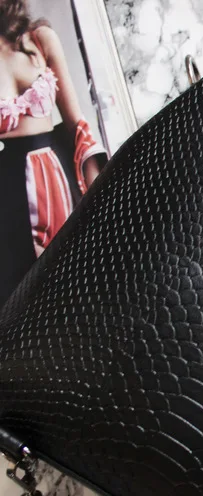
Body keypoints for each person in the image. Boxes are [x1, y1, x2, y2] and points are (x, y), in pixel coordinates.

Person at [0, 0, 106, 307]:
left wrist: (101, 198)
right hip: (9, 197)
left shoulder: (40, 39)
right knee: (28, 301)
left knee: (89, 283)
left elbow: (77, 125)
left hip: (62, 182)